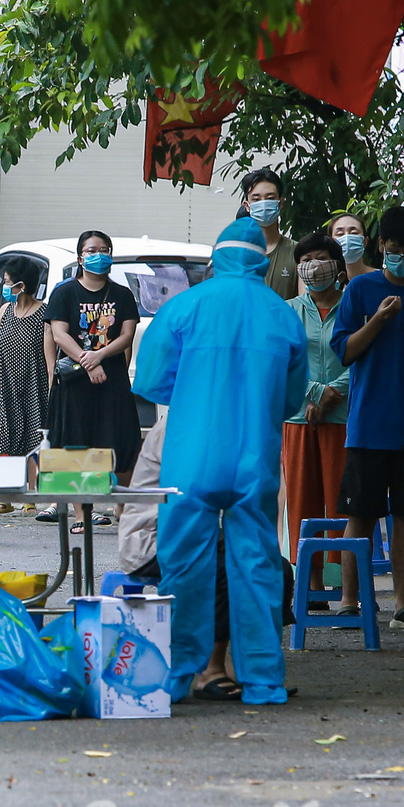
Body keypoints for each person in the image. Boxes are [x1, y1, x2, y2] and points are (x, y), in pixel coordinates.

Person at [135, 217, 309, 705]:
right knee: (257, 565)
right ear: (261, 260)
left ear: (217, 259)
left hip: (192, 455)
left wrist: (194, 391)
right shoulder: (283, 315)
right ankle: (263, 680)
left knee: (183, 564)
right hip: (254, 457)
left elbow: (151, 381)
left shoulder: (184, 307)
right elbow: (292, 402)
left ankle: (175, 678)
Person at [331, 204, 404, 632]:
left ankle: (402, 605)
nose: (402, 256)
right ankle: (349, 601)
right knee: (359, 515)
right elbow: (344, 351)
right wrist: (377, 320)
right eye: (394, 249)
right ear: (381, 247)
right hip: (366, 423)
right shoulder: (360, 290)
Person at [45, 230, 143, 521]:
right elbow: (59, 334)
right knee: (75, 442)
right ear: (80, 258)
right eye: (91, 250)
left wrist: (99, 356)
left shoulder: (123, 294)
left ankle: (122, 508)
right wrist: (88, 362)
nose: (98, 255)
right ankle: (81, 514)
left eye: (104, 249)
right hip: (75, 382)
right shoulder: (64, 293)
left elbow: (126, 335)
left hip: (112, 380)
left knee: (122, 441)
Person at [283, 230, 355, 612]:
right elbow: (281, 361)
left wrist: (333, 392)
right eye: (305, 259)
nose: (313, 266)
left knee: (343, 504)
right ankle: (312, 589)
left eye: (320, 258)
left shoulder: (352, 306)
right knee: (303, 503)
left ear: (337, 264)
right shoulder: (290, 310)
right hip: (297, 417)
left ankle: (345, 590)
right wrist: (314, 392)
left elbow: (361, 356)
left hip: (344, 416)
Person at [0, 261, 50, 512]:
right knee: (3, 438)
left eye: (8, 282)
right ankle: (4, 496)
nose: (5, 286)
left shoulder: (44, 314)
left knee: (32, 438)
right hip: (4, 382)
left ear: (22, 285)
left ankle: (30, 497)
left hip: (33, 383)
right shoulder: (4, 311)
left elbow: (49, 355)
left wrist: (52, 388)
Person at [243, 168, 300, 300]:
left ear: (280, 203)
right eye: (256, 199)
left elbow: (304, 305)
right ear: (247, 206)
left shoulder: (297, 252)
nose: (263, 204)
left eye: (270, 198)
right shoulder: (234, 254)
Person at [330, 211, 378, 280]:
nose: (347, 238)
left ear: (365, 242)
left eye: (354, 233)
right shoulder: (325, 285)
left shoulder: (382, 279)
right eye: (340, 234)